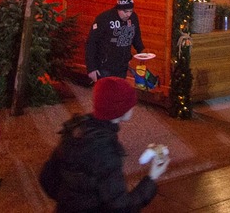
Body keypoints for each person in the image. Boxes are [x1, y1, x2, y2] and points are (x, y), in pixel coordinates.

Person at [38, 76, 168, 211]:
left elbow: (47, 178)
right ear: (119, 108)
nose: (133, 106)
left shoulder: (76, 129)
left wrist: (70, 200)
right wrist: (152, 177)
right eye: (130, 103)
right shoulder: (105, 150)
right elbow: (121, 207)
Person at [85, 0, 144, 81]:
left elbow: (136, 36)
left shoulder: (133, 18)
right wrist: (91, 68)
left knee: (118, 94)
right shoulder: (104, 19)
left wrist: (142, 51)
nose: (128, 14)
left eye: (130, 11)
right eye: (125, 11)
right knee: (106, 94)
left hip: (122, 67)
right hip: (105, 67)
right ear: (118, 9)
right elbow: (91, 42)